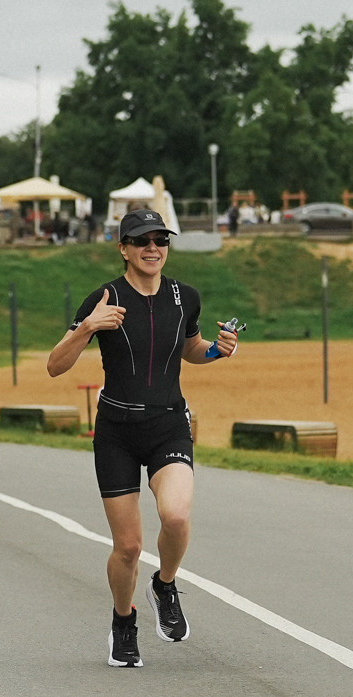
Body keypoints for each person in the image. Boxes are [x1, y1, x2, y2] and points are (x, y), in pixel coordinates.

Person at [46, 208, 238, 668]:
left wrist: (217, 350)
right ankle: (122, 621)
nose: (153, 248)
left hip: (168, 423)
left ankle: (165, 585)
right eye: (142, 240)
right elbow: (55, 365)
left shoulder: (184, 296)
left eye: (160, 240)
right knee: (128, 546)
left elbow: (190, 348)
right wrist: (89, 326)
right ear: (124, 248)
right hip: (115, 430)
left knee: (175, 516)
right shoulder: (104, 297)